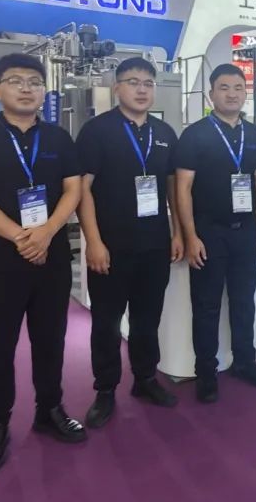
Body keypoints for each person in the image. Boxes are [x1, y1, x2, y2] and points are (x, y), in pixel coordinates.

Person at [0, 53, 86, 475]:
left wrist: (46, 232)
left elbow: (73, 190)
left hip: (52, 260)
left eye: (34, 81)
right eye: (15, 80)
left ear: (44, 90)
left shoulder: (59, 139)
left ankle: (50, 409)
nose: (26, 88)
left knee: (51, 340)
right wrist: (21, 237)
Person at [76, 57, 184, 429]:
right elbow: (82, 190)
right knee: (106, 322)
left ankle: (145, 378)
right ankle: (105, 389)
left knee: (147, 319)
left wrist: (177, 232)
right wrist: (93, 241)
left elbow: (172, 188)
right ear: (117, 87)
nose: (141, 90)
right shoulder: (97, 131)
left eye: (148, 83)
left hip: (154, 245)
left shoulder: (165, 132)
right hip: (111, 246)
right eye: (133, 82)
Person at [174, 64, 256, 403]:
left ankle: (245, 362)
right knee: (207, 306)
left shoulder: (254, 133)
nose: (232, 94)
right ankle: (206, 373)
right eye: (224, 87)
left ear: (246, 93)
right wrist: (190, 236)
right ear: (211, 94)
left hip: (246, 232)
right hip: (208, 233)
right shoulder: (195, 134)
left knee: (244, 302)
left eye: (238, 87)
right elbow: (182, 188)